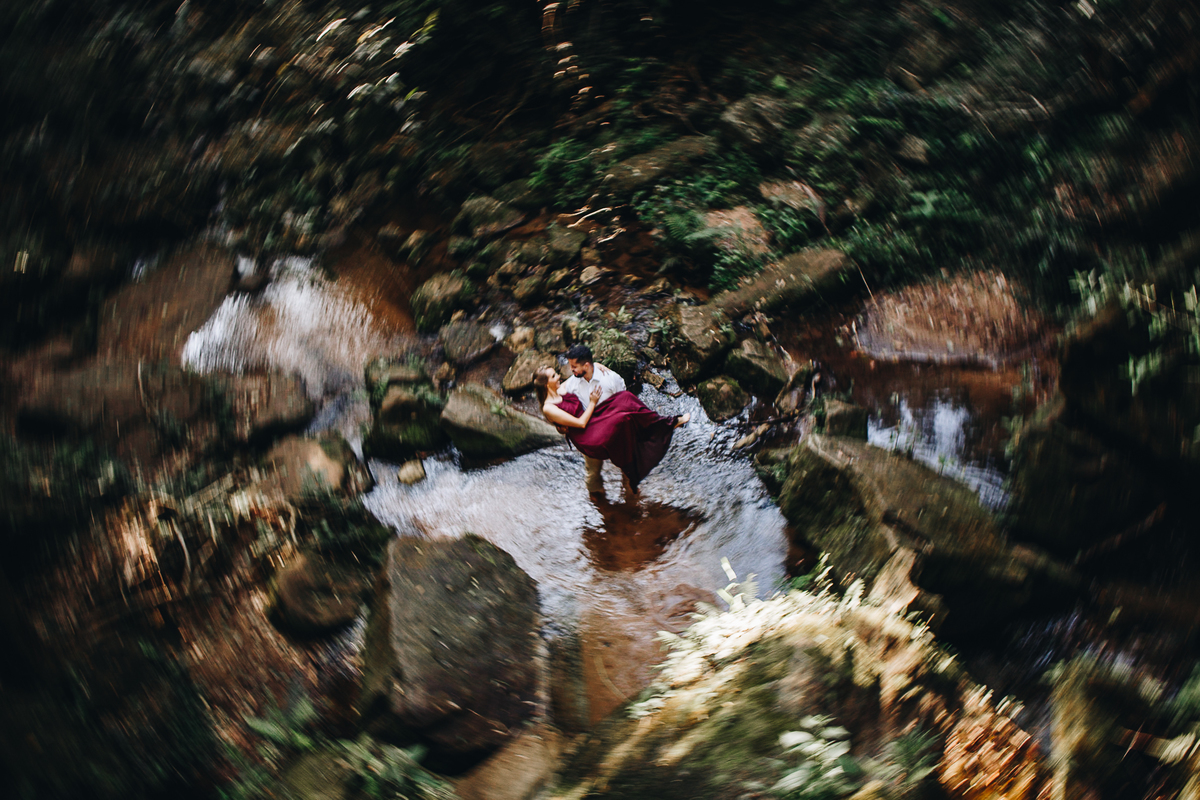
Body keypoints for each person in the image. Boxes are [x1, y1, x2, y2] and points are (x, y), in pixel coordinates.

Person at [533, 364, 689, 495]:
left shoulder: (560, 389)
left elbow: (577, 374)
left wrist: (595, 365)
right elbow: (580, 423)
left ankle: (663, 424)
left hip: (594, 420)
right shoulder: (548, 408)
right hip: (586, 435)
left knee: (624, 399)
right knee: (619, 423)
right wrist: (593, 402)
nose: (559, 376)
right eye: (554, 376)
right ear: (547, 384)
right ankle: (598, 499)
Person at [560, 344, 627, 490]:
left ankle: (631, 500)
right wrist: (560, 424)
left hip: (616, 433)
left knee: (627, 468)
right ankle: (598, 502)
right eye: (571, 366)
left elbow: (625, 402)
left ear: (586, 365)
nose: (571, 370)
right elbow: (554, 398)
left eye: (574, 366)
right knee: (592, 474)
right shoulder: (571, 384)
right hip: (591, 436)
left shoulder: (611, 379)